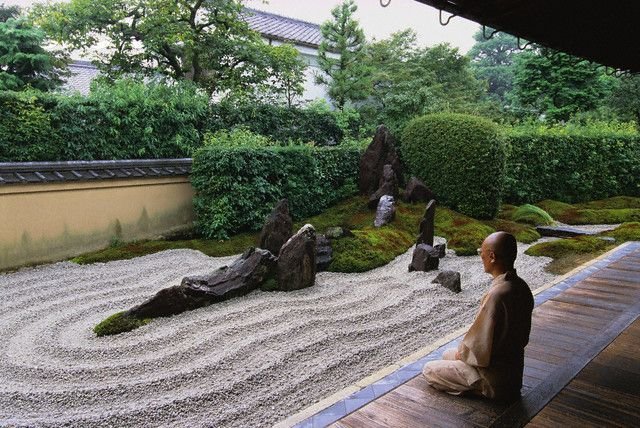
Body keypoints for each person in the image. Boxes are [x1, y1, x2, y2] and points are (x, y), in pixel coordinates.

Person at [422, 231, 534, 401]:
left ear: (492, 256)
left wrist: (463, 354)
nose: (480, 256)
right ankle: (484, 382)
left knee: (429, 369)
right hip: (512, 370)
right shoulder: (521, 286)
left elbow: (478, 348)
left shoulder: (498, 295)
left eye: (481, 252)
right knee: (447, 354)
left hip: (492, 376)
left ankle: (483, 389)